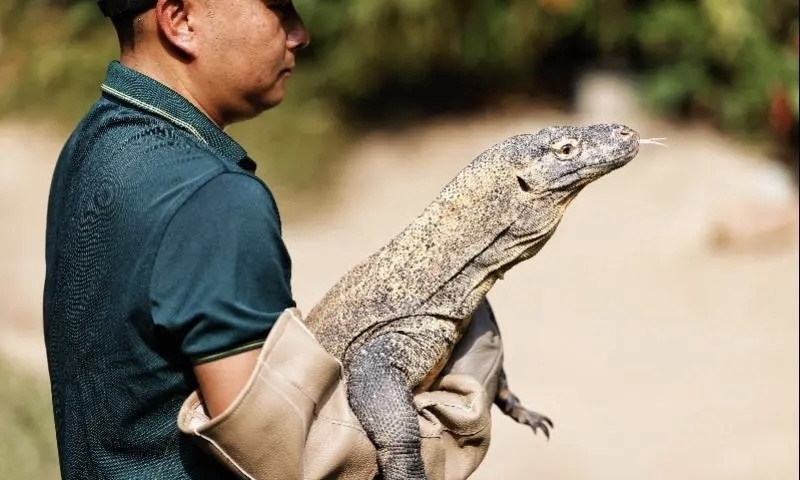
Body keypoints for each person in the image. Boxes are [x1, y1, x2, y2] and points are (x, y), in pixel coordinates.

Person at [43, 0, 504, 478]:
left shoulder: (92, 144)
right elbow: (287, 461)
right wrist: (462, 401)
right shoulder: (214, 199)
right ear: (180, 19)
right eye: (279, 8)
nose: (299, 33)